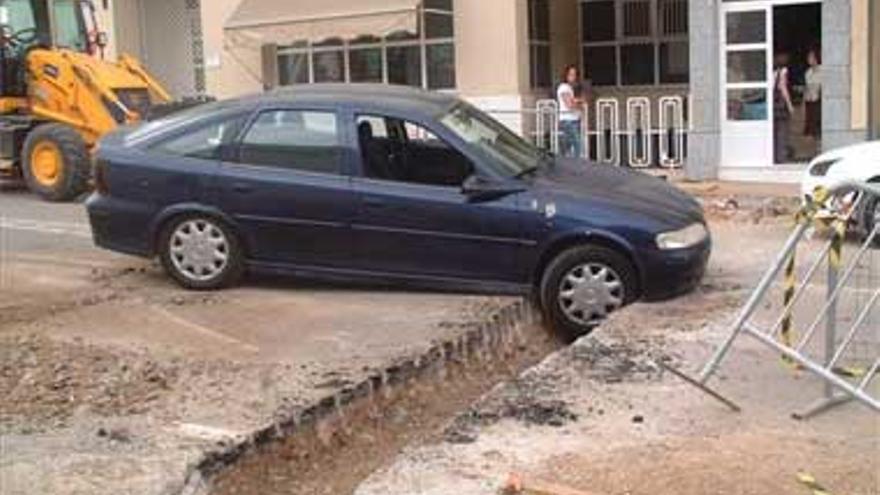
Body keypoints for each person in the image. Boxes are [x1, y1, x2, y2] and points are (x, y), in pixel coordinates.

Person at [557, 65, 584, 158]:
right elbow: (569, 105)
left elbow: (571, 102)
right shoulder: (564, 87)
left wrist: (577, 102)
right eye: (570, 74)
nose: (573, 77)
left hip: (572, 120)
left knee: (567, 147)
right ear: (566, 75)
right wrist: (579, 106)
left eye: (575, 75)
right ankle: (577, 166)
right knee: (578, 145)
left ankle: (565, 165)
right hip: (568, 120)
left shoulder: (569, 88)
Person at [773, 53, 795, 164]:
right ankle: (782, 158)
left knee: (776, 131)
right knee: (782, 131)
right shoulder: (784, 71)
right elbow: (783, 88)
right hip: (781, 106)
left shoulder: (774, 72)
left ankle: (776, 157)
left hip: (774, 105)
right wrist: (790, 105)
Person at [803, 48, 822, 140]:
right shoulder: (808, 72)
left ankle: (817, 133)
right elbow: (807, 85)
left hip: (819, 97)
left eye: (810, 57)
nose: (808, 59)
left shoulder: (823, 70)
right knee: (810, 116)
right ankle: (810, 133)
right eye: (808, 57)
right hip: (810, 97)